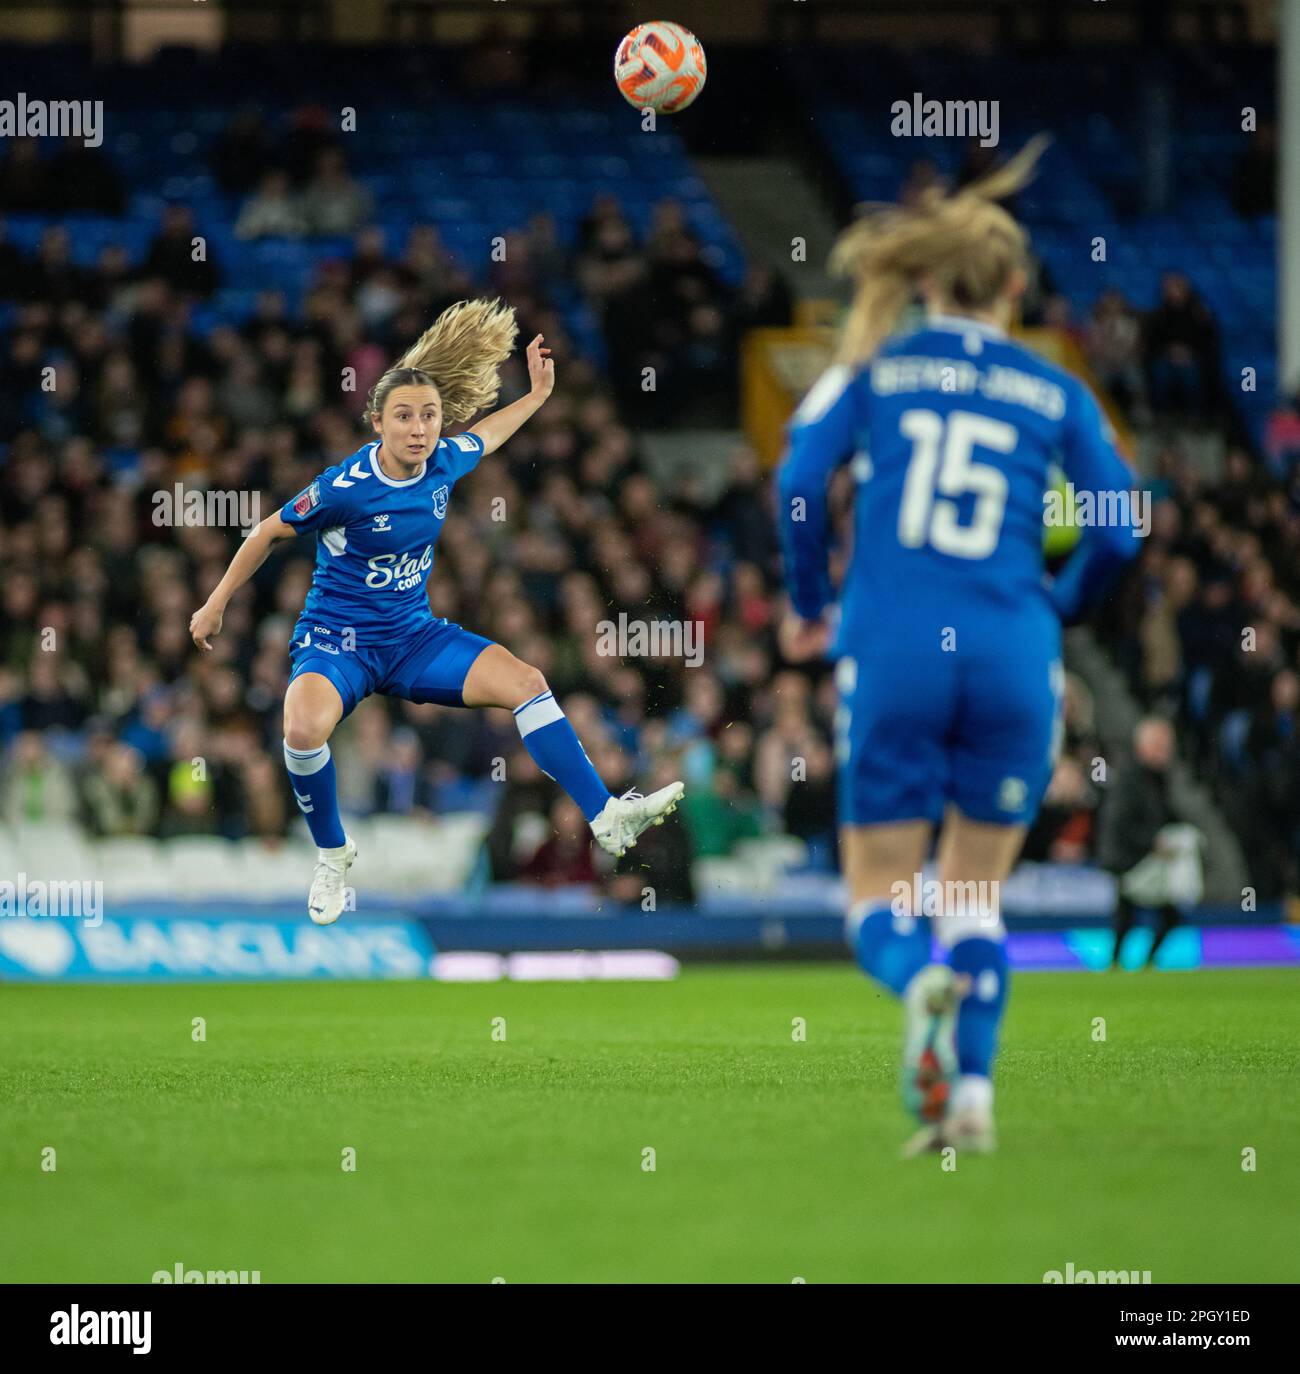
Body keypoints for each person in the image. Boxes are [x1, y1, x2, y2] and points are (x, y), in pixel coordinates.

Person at [776, 138, 1140, 1154]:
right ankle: (971, 1104)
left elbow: (799, 484)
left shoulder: (874, 370)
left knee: (877, 898)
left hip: (894, 646)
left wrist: (810, 597)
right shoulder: (1054, 388)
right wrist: (1059, 606)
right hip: (1014, 653)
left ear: (926, 281)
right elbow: (1121, 524)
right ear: (1016, 290)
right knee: (976, 891)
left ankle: (912, 976)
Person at [190, 298, 683, 924]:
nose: (419, 428)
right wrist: (214, 604)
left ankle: (606, 817)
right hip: (339, 641)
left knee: (529, 682)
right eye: (404, 417)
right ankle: (333, 855)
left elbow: (492, 433)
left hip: (413, 638)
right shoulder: (345, 488)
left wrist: (535, 396)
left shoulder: (445, 461)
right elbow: (264, 533)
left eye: (428, 415)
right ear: (377, 423)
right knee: (301, 729)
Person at [1099, 716, 1203, 969]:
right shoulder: (1129, 777)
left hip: (1144, 857)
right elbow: (1120, 822)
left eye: (1167, 744)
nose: (1165, 750)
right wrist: (1152, 843)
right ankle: (1119, 961)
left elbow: (1165, 815)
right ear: (1142, 745)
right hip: (1128, 858)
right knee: (1131, 914)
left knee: (1157, 914)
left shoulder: (1158, 778)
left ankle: (1134, 962)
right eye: (1159, 743)